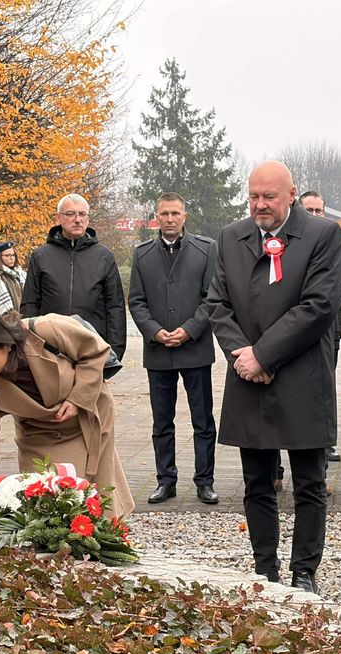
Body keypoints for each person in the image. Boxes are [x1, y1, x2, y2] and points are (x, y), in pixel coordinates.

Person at [206, 160, 341, 594]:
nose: (260, 205)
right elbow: (216, 303)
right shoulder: (232, 237)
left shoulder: (324, 235)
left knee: (309, 483)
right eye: (253, 196)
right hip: (247, 376)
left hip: (302, 375)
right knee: (257, 482)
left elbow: (320, 305)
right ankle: (264, 569)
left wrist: (265, 355)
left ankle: (305, 571)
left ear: (291, 193)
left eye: (269, 196)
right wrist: (243, 357)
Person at [0, 310, 134, 518]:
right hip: (39, 434)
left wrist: (78, 398)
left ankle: (106, 540)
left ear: (6, 345)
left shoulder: (47, 329)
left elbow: (96, 351)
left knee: (97, 493)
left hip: (87, 415)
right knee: (46, 503)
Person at [128, 192, 218, 506]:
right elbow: (136, 301)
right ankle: (166, 481)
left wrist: (189, 329)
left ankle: (204, 481)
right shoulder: (142, 254)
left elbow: (212, 298)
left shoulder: (205, 249)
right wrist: (154, 331)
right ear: (156, 216)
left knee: (203, 421)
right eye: (164, 213)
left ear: (184, 216)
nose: (169, 219)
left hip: (195, 348)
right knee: (161, 421)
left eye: (175, 213)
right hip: (158, 350)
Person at [20, 194, 127, 359]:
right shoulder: (41, 256)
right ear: (58, 218)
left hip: (92, 346)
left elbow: (115, 307)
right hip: (50, 347)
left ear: (88, 219)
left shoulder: (104, 256)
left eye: (82, 214)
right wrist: (31, 344)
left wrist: (115, 352)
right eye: (70, 214)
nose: (77, 219)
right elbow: (30, 303)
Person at [299, 189, 341, 464]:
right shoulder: (291, 240)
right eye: (309, 210)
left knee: (325, 388)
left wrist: (323, 308)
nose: (315, 215)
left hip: (328, 328)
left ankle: (326, 443)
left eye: (319, 210)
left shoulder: (333, 237)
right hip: (296, 330)